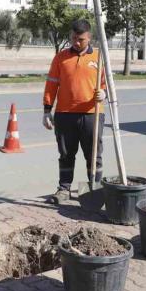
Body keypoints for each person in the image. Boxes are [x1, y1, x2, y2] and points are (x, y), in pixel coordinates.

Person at [43, 19, 106, 204]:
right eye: (73, 38)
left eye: (81, 39)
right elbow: (51, 85)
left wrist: (104, 93)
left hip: (92, 114)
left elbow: (107, 83)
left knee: (93, 154)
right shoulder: (60, 58)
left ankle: (95, 188)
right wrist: (47, 110)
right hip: (64, 114)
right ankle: (64, 189)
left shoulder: (99, 58)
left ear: (89, 38)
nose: (76, 42)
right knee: (66, 154)